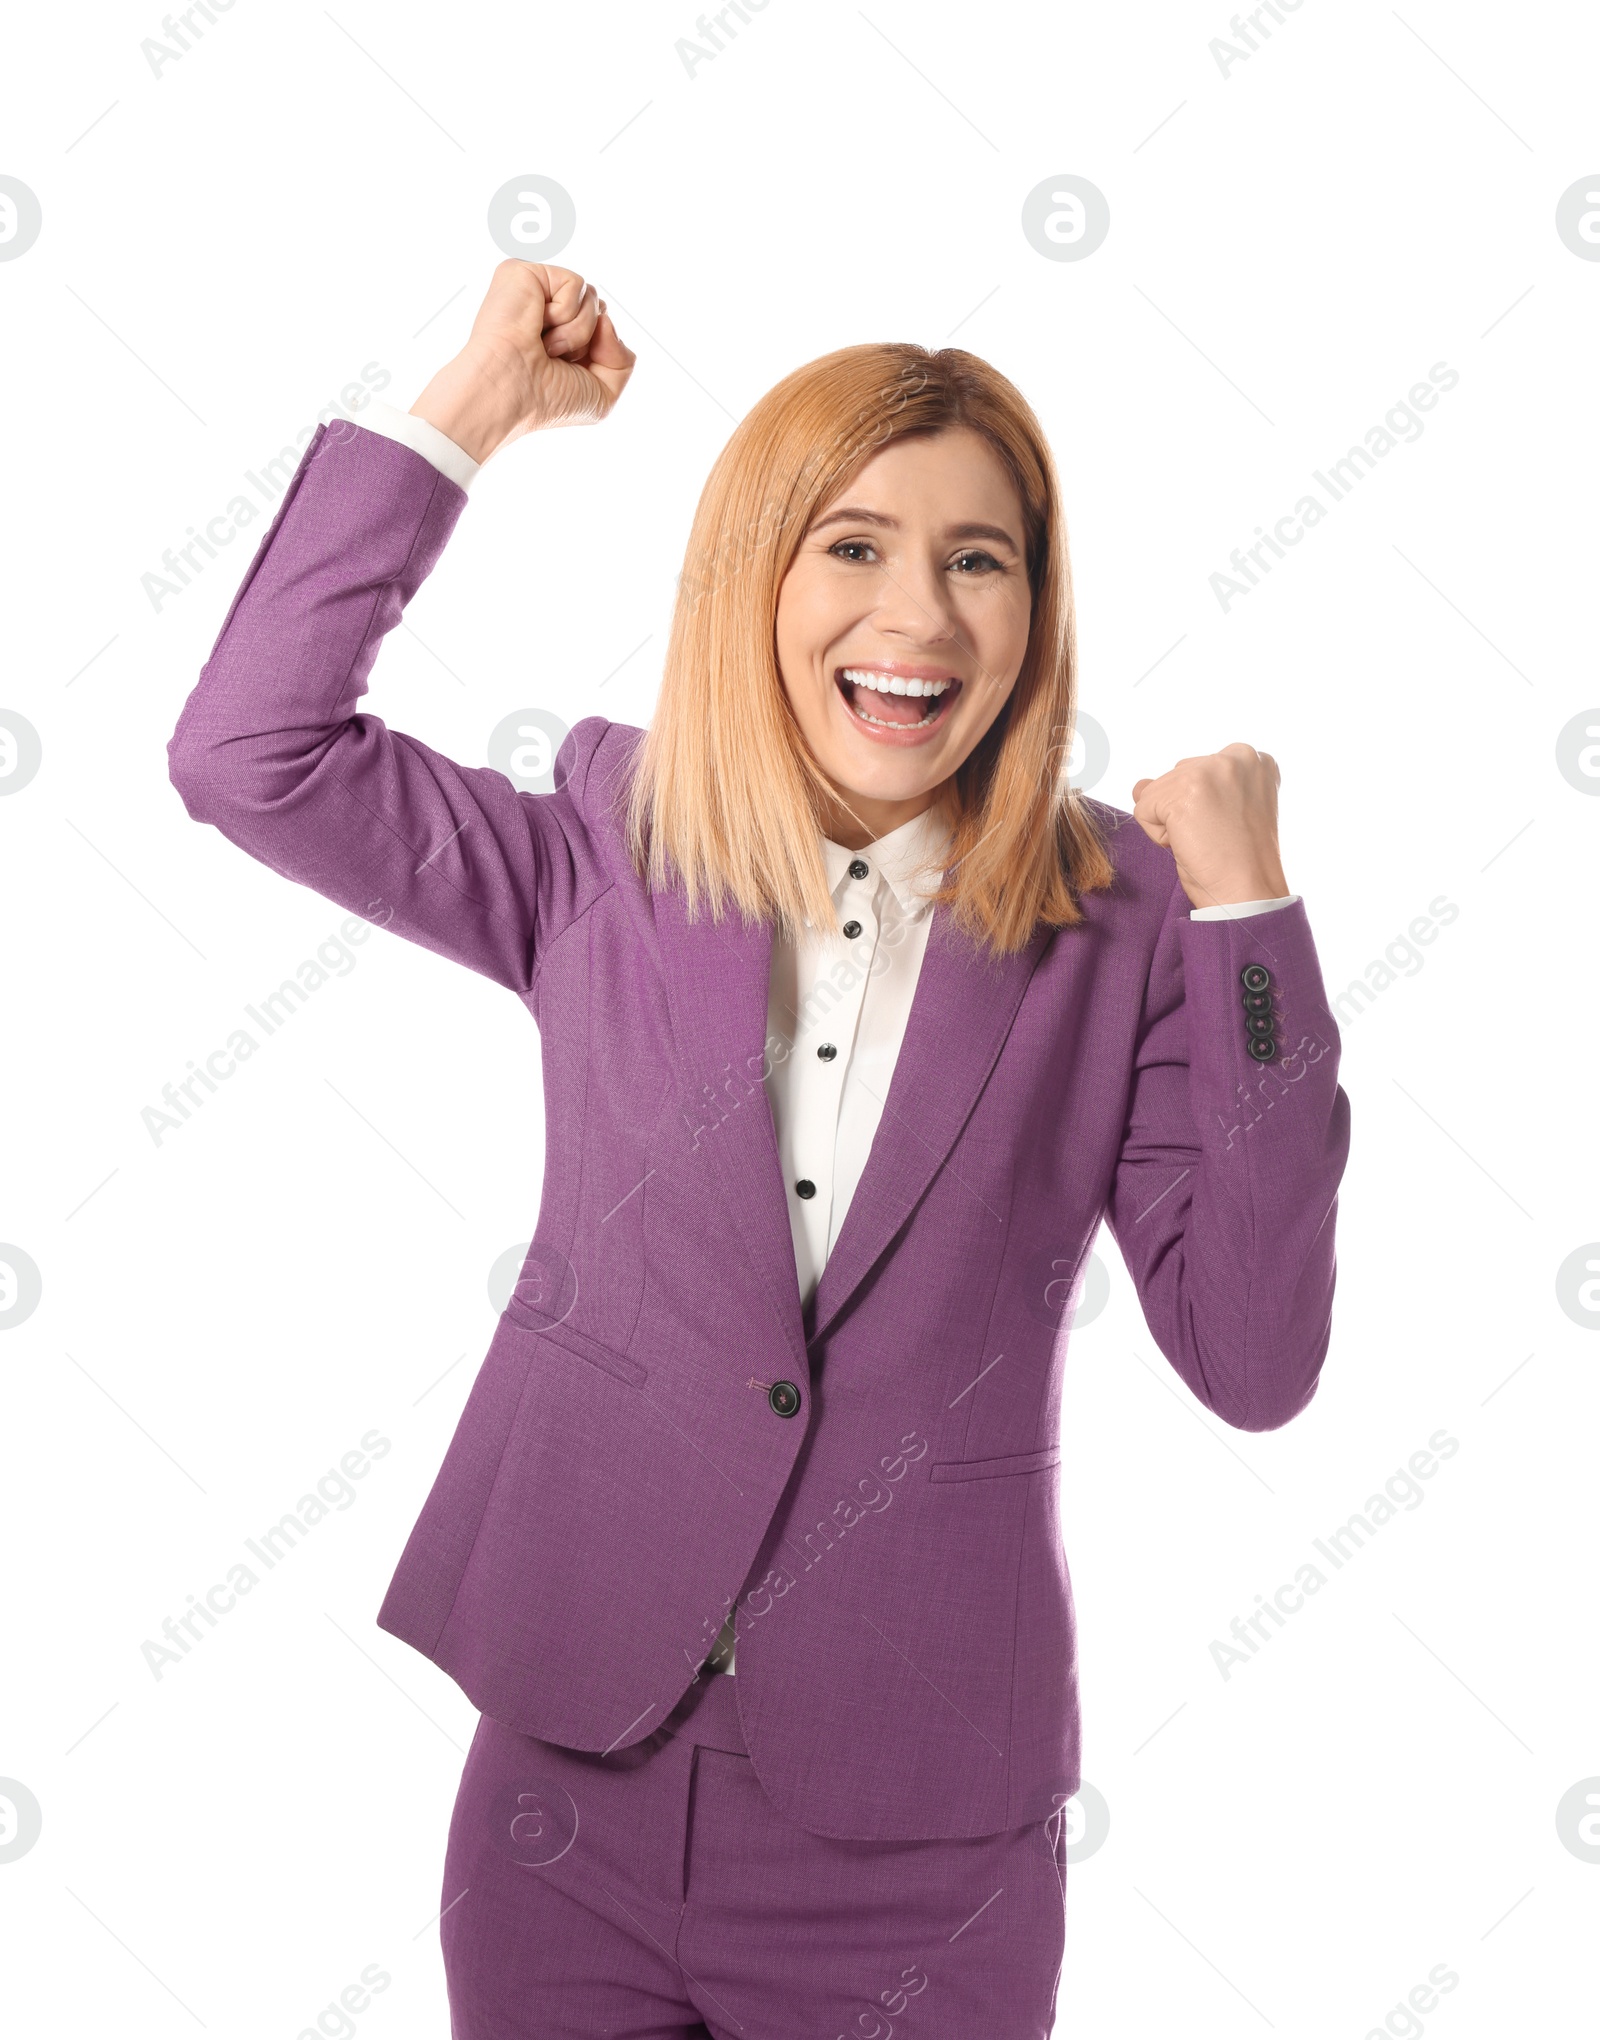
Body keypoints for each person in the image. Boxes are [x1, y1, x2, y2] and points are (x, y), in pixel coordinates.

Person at [167, 260, 1351, 2039]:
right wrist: (468, 413)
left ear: (1038, 612)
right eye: (855, 545)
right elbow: (248, 753)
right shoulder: (603, 846)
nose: (921, 617)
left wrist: (1252, 916)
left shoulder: (1126, 922)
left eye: (980, 558)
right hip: (569, 1778)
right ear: (758, 577)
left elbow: (1256, 1364)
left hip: (922, 1832)